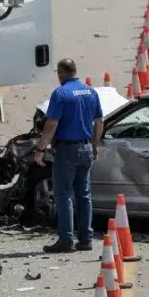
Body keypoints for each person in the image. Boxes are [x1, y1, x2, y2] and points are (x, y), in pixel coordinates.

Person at [35, 58, 104, 253]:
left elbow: (51, 124)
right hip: (86, 147)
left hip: (67, 150)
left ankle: (66, 240)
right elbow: (99, 122)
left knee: (64, 195)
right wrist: (94, 146)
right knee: (84, 195)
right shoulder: (91, 92)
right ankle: (86, 239)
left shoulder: (61, 93)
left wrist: (40, 149)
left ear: (61, 73)